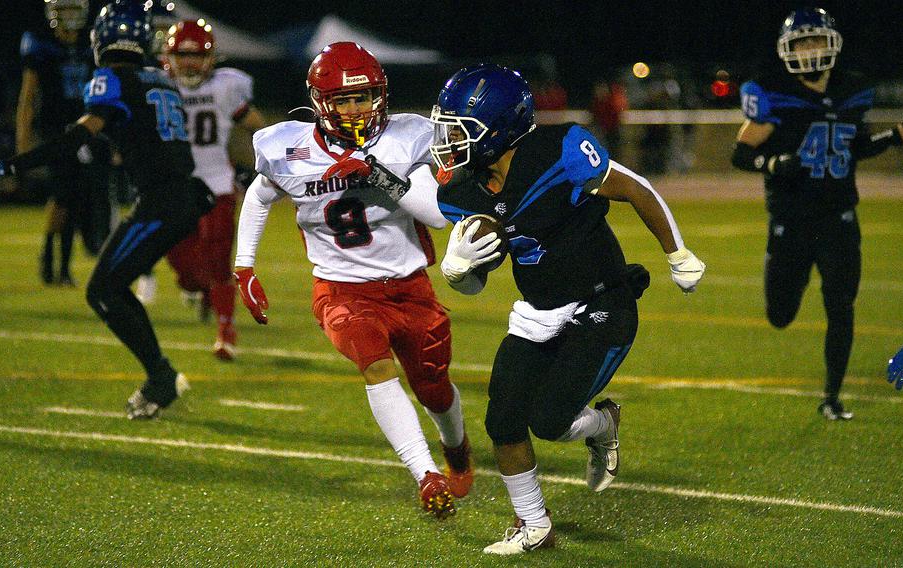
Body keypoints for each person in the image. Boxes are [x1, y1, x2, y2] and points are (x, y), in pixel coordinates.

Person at [429, 63, 706, 554]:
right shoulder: (462, 191)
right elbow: (477, 282)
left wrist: (676, 253)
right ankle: (535, 526)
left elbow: (637, 188)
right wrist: (459, 271)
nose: (448, 140)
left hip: (604, 300)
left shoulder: (560, 151)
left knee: (551, 419)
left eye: (460, 129)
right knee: (503, 421)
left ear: (499, 128)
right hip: (538, 311)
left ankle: (603, 424)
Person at [233, 42, 473, 518]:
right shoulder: (290, 147)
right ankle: (426, 475)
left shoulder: (406, 138)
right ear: (321, 102)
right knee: (375, 366)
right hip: (341, 289)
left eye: (363, 97)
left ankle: (458, 448)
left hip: (409, 287)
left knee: (434, 389)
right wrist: (244, 266)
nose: (356, 109)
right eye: (343, 100)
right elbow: (260, 197)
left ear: (380, 94)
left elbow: (438, 217)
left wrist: (376, 175)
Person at [0, 0, 215, 419]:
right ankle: (160, 374)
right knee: (110, 286)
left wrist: (14, 162)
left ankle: (161, 376)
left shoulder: (110, 78)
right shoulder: (157, 78)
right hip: (183, 195)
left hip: (162, 202)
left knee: (103, 290)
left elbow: (78, 137)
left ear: (103, 39)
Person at [730, 7, 903, 420]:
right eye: (802, 42)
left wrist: (891, 136)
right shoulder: (773, 93)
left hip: (840, 217)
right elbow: (741, 153)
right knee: (780, 315)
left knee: (841, 307)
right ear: (787, 49)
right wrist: (772, 165)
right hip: (791, 221)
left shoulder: (853, 90)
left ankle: (832, 397)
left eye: (815, 40)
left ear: (832, 43)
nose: (809, 50)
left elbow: (854, 145)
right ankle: (789, 285)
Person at [137, 19, 265, 361]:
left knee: (219, 260)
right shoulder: (157, 85)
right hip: (174, 186)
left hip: (217, 183)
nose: (190, 63)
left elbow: (255, 126)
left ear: (211, 58)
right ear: (168, 55)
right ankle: (202, 292)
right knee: (186, 271)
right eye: (181, 55)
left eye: (196, 56)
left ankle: (226, 330)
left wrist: (258, 162)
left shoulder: (227, 86)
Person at [16, 0, 116, 286]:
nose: (69, 17)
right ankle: (51, 262)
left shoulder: (91, 46)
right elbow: (28, 95)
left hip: (86, 130)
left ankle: (60, 267)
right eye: (64, 11)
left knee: (76, 197)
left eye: (74, 10)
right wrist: (24, 139)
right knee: (62, 196)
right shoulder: (41, 46)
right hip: (56, 131)